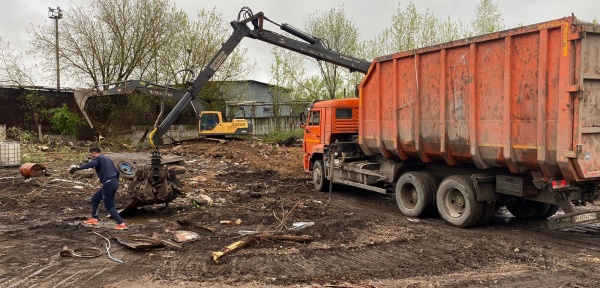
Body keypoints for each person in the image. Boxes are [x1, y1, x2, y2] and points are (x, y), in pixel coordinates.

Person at [69, 147, 127, 230]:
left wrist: (78, 168)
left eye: (91, 155)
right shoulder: (108, 159)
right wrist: (113, 181)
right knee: (95, 198)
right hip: (113, 182)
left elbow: (92, 164)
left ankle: (121, 224)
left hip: (109, 184)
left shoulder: (98, 158)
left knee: (110, 206)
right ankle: (94, 219)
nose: (91, 157)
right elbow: (117, 172)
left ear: (94, 153)